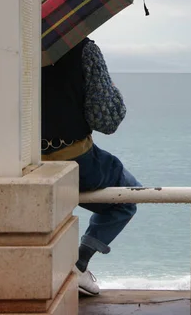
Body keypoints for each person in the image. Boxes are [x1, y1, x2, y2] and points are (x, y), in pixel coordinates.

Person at [40, 37, 140, 296]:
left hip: (20, 163)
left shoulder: (1, 49)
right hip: (75, 161)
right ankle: (79, 263)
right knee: (127, 198)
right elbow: (107, 121)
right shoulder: (83, 49)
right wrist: (111, 90)